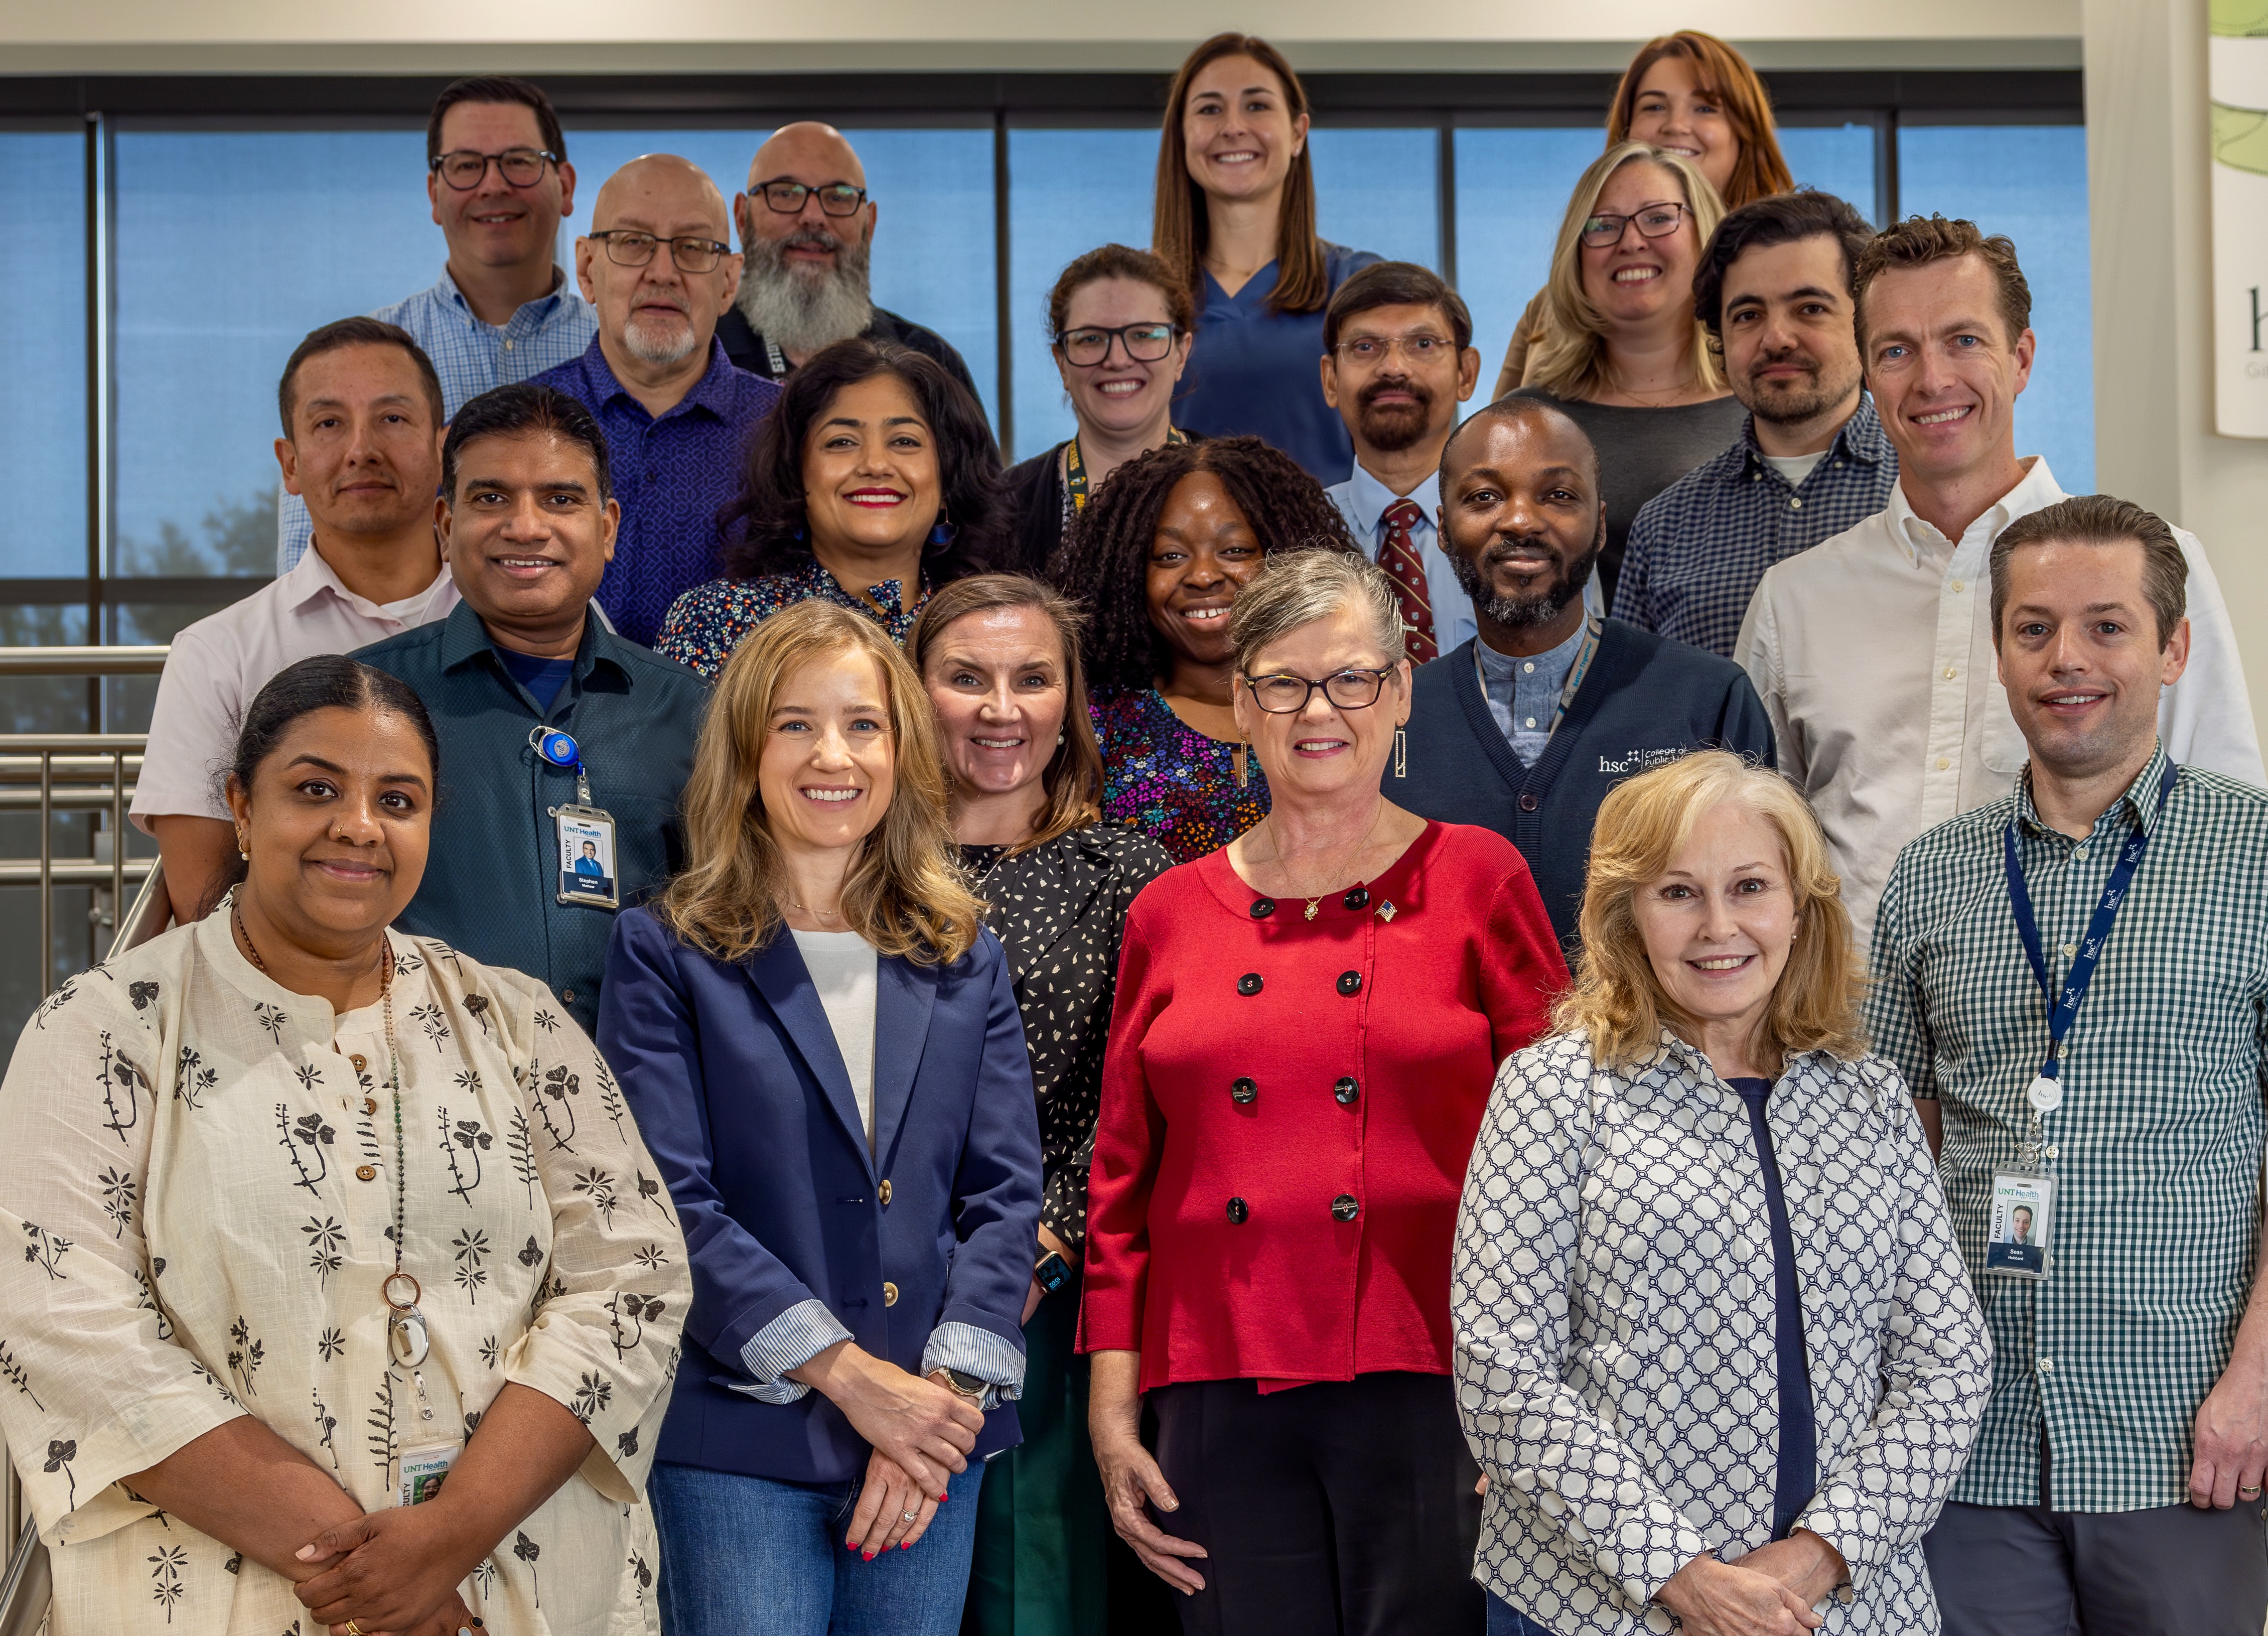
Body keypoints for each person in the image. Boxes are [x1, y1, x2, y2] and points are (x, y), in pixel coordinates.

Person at [0, 654, 690, 1635]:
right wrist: (369, 1572)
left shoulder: (518, 1022)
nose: (358, 825)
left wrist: (449, 1536)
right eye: (315, 789)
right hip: (220, 1591)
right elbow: (67, 1323)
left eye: (397, 799)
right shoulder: (105, 1032)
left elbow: (633, 1277)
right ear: (241, 806)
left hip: (513, 1585)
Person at [1082, 549, 1567, 1633]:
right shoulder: (1168, 910)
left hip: (1441, 1372)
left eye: (1350, 678)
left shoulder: (1479, 875)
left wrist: (1554, 1398)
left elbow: (1574, 1154)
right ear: (1241, 703)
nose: (1320, 710)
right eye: (1284, 683)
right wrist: (1115, 1411)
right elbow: (1120, 1184)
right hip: (1216, 1372)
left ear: (1398, 693)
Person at [1457, 750, 1989, 1636]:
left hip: (1844, 1606)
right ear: (1626, 914)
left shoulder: (1871, 1097)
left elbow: (1948, 1366)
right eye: (1678, 892)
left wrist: (1819, 1556)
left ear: (1799, 906)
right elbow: (1502, 1373)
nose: (1718, 927)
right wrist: (1683, 1578)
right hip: (1602, 1607)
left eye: (1749, 887)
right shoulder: (1552, 1092)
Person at [599, 599, 1044, 1636]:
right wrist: (853, 1382)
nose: (831, 755)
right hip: (741, 1443)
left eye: (863, 724)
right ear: (746, 751)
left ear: (900, 751)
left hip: (932, 1437)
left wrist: (932, 1406)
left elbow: (1005, 1192)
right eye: (794, 724)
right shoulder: (664, 951)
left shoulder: (961, 949)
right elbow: (673, 1202)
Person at [1868, 495, 2268, 1634]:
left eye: (2105, 626)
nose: (2066, 661)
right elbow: (1891, 1146)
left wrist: (2252, 1385)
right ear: (1998, 651)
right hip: (1967, 1445)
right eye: (2032, 628)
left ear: (2171, 647)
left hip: (2178, 1434)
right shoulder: (1930, 875)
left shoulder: (2250, 853)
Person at [1737, 216, 2262, 941]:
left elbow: (2229, 822)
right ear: (1866, 374)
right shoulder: (1793, 602)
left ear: (2020, 359)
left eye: (1964, 340)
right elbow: (1755, 852)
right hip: (1851, 1034)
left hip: (2087, 1023)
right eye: (1897, 350)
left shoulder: (2160, 562)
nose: (1933, 379)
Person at [904, 574, 1175, 1636]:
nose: (999, 708)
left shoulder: (1128, 877)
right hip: (868, 1292)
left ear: (1069, 701)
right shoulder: (848, 867)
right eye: (965, 678)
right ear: (913, 690)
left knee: (1035, 1600)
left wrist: (1035, 1252)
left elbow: (1136, 1102)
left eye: (1031, 679)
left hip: (1045, 1300)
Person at [355, 381, 710, 1036]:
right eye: (490, 498)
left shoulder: (690, 710)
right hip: (429, 1096)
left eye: (560, 499)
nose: (525, 526)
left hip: (639, 1102)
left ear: (606, 530)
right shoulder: (362, 702)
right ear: (445, 525)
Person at [1395, 398, 1772, 951]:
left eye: (1558, 495)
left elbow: (1761, 908)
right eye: (1483, 497)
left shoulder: (1708, 698)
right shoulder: (1391, 715)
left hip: (1657, 1040)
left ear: (1599, 526)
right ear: (1445, 529)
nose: (1520, 520)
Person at [140, 317, 458, 924]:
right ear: (289, 463)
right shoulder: (218, 652)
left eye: (393, 419)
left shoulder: (527, 625)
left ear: (442, 449)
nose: (362, 449)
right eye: (328, 423)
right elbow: (205, 905)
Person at [278, 76, 594, 572]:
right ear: (434, 193)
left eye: (519, 161)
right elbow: (308, 572)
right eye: (466, 166)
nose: (494, 184)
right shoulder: (357, 366)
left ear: (566, 185)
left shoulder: (614, 351)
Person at [1050, 436, 1360, 864]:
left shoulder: (1346, 705)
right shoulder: (1095, 727)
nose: (1203, 576)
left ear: (1284, 557)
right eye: (1170, 556)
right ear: (1127, 575)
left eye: (1235, 550)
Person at [1615, 190, 1894, 658]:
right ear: (1719, 339)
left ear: (1866, 322)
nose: (1777, 339)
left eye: (1810, 308)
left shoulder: (1934, 497)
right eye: (1748, 316)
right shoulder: (1663, 528)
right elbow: (1629, 714)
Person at [531, 153, 781, 648]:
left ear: (729, 281)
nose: (663, 272)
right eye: (633, 243)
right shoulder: (516, 425)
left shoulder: (793, 429)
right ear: (586, 268)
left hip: (743, 722)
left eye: (693, 247)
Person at [658, 339, 1010, 678]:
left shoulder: (994, 634)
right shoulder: (718, 620)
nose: (875, 464)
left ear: (948, 479)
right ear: (795, 475)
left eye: (904, 441)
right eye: (842, 442)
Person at [1494, 31, 1794, 397]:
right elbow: (1498, 436)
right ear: (1626, 130)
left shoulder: (1793, 287)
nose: (1675, 126)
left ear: (1744, 133)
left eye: (1705, 108)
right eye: (1654, 107)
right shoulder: (1551, 309)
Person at [1510, 143, 1744, 612]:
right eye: (1603, 226)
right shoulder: (1524, 422)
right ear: (1575, 254)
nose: (1631, 241)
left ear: (1707, 238)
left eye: (1659, 218)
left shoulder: (1765, 406)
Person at [1154, 33, 1382, 485]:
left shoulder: (1358, 285)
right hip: (1186, 551)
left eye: (1256, 106)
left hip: (1330, 553)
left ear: (1298, 133)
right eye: (1209, 109)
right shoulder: (1144, 297)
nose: (1233, 126)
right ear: (1181, 134)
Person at [721, 121, 983, 403]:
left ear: (869, 225)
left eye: (838, 197)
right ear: (742, 218)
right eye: (786, 193)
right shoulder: (699, 355)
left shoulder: (931, 362)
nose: (814, 216)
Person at [1319, 261, 1484, 663]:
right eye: (1365, 347)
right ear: (1331, 380)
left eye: (1423, 344)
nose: (1393, 367)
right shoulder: (1293, 534)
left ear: (1466, 374)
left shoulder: (1523, 530)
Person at [1006, 245, 1195, 575]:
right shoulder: (1004, 510)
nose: (1118, 360)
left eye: (1143, 335)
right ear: (1061, 362)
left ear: (1181, 354)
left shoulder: (1241, 491)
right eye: (1091, 339)